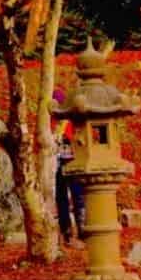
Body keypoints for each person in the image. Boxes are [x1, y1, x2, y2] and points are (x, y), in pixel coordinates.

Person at [52, 92, 85, 246]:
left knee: (78, 196)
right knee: (61, 198)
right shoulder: (51, 124)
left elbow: (78, 141)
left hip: (73, 162)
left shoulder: (70, 121)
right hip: (57, 165)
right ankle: (66, 230)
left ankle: (83, 229)